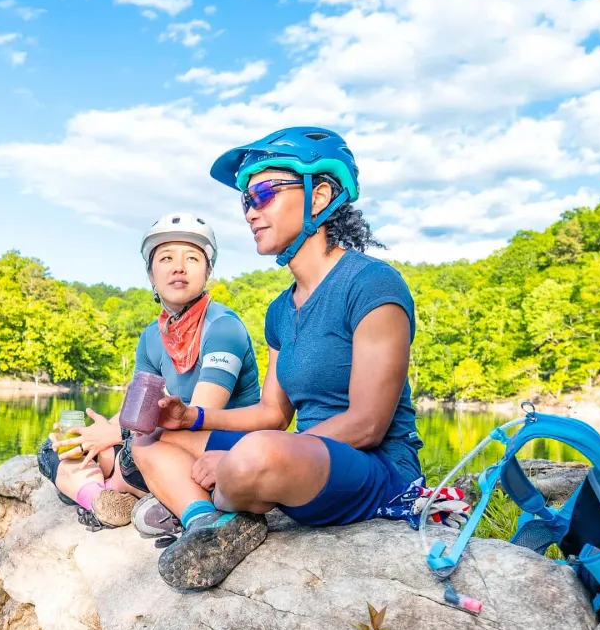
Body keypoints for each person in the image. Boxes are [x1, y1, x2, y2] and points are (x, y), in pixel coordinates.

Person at [133, 127, 424, 590]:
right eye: (246, 201)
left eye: (264, 193)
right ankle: (207, 522)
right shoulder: (279, 311)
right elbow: (273, 413)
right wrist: (191, 417)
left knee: (257, 456)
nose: (251, 211)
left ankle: (228, 494)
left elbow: (368, 424)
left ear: (319, 195)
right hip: (301, 458)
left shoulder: (372, 285)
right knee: (149, 441)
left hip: (376, 466)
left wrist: (235, 463)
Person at [41, 213, 261, 529]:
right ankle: (106, 500)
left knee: (134, 450)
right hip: (168, 441)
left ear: (208, 271)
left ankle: (112, 490)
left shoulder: (224, 328)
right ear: (151, 273)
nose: (179, 267)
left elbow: (203, 414)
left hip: (218, 447)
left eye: (192, 258)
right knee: (56, 450)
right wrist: (96, 435)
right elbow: (136, 413)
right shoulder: (151, 336)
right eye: (166, 257)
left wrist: (115, 435)